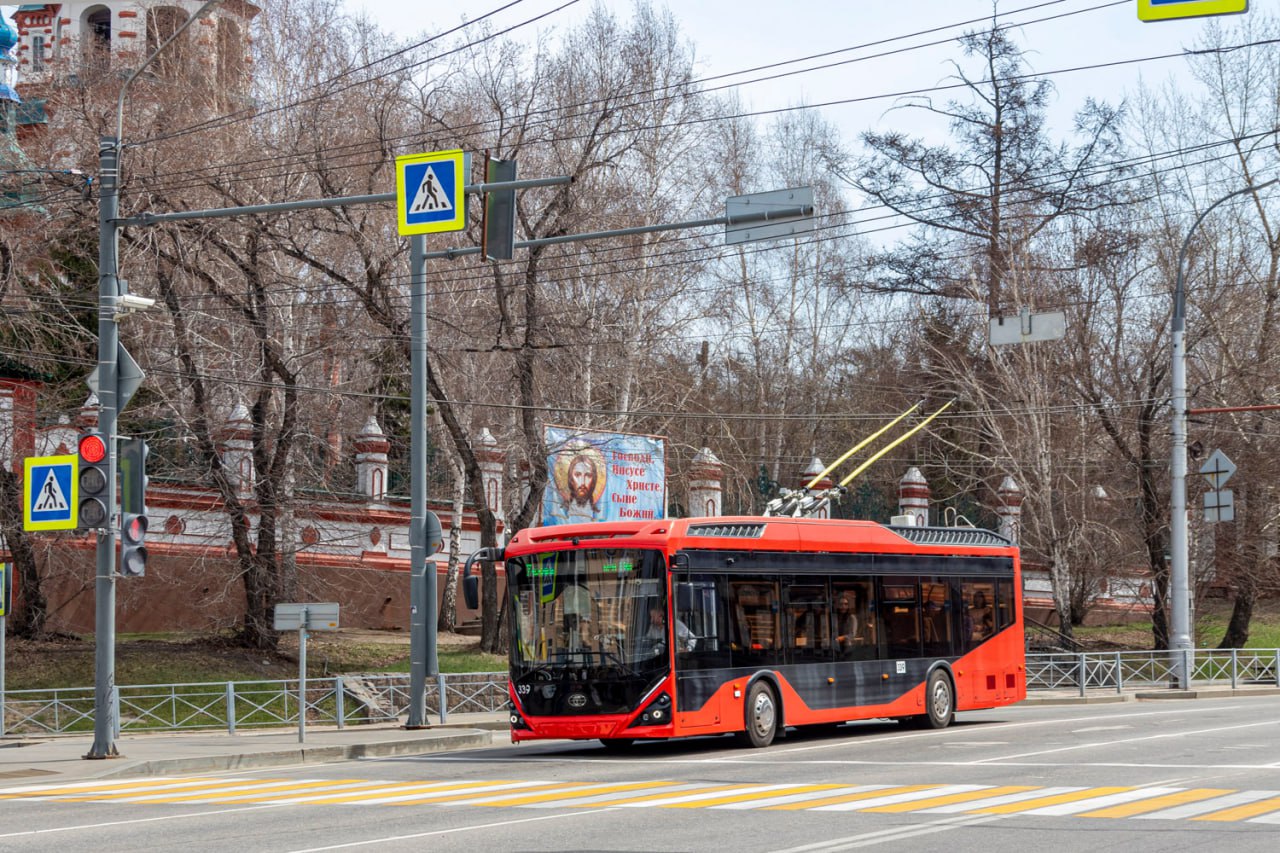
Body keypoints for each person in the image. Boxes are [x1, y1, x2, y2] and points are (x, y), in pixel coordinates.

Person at [549, 450, 604, 524]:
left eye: (588, 475)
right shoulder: (560, 513)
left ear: (594, 480)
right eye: (577, 475)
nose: (582, 482)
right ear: (570, 479)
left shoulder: (597, 517)